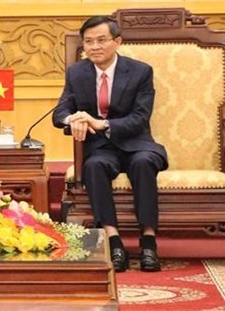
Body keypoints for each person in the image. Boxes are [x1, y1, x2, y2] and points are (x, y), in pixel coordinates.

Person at [53, 15, 167, 272]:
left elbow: (140, 118)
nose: (94, 47)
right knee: (93, 167)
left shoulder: (140, 71)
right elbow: (60, 113)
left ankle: (148, 241)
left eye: (101, 40)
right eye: (89, 42)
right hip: (101, 149)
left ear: (117, 42)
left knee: (144, 163)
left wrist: (101, 123)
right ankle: (113, 240)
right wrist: (75, 118)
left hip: (136, 143)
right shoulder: (77, 72)